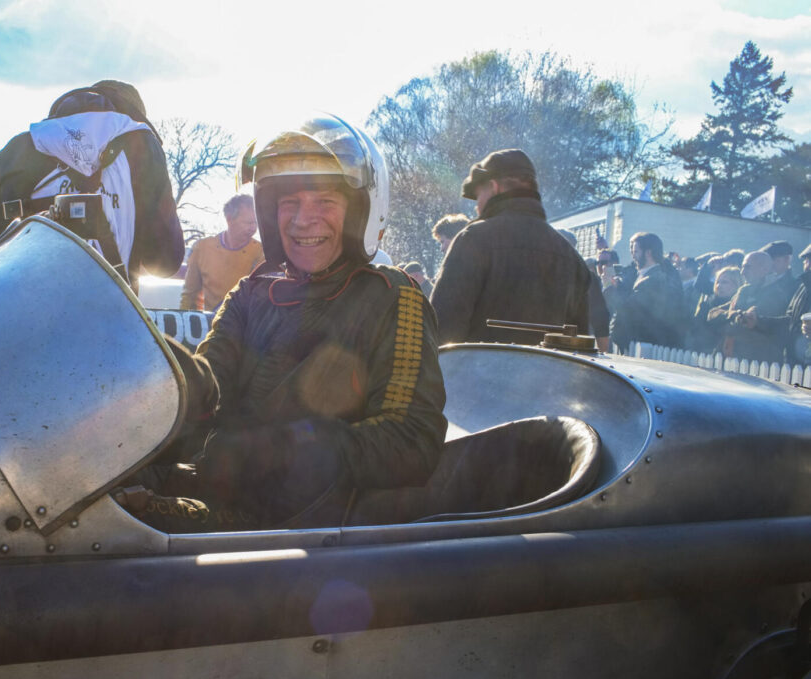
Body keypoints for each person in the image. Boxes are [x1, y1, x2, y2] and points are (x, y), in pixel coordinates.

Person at [129, 115, 447, 532]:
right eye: (289, 203)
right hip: (223, 489)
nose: (302, 219)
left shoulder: (392, 296)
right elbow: (207, 387)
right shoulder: (252, 292)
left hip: (312, 526)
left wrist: (286, 448)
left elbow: (410, 437)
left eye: (325, 202)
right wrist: (154, 377)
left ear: (360, 212)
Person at [0, 80, 184, 291]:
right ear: (134, 117)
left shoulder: (21, 146)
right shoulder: (144, 151)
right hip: (108, 316)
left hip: (18, 310)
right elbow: (166, 263)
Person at [430, 148, 590, 345]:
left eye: (479, 196)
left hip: (477, 366)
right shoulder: (572, 259)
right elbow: (579, 346)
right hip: (546, 367)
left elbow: (439, 330)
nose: (477, 206)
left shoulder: (473, 240)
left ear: (494, 187)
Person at [179, 194, 263, 311]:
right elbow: (190, 296)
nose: (253, 228)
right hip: (212, 319)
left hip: (246, 320)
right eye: (248, 223)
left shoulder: (261, 252)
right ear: (229, 219)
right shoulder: (201, 248)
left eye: (256, 222)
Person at [609, 232, 685, 352]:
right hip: (634, 344)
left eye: (636, 252)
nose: (633, 256)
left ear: (648, 253)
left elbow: (630, 310)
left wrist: (616, 288)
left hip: (642, 346)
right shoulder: (640, 275)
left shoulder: (654, 280)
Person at [742, 244, 811, 364]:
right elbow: (789, 319)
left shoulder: (795, 285)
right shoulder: (803, 286)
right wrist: (758, 321)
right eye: (806, 260)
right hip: (795, 359)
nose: (807, 264)